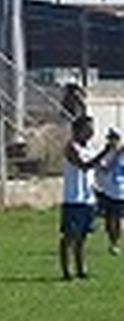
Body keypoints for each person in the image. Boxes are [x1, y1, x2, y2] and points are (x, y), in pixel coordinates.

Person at [59, 115, 111, 281]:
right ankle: (66, 270)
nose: (92, 132)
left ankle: (81, 269)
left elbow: (103, 167)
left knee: (83, 236)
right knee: (69, 236)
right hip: (73, 199)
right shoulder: (71, 147)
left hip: (88, 198)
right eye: (88, 128)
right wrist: (106, 151)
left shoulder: (89, 147)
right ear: (78, 130)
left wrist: (115, 153)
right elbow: (84, 166)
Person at [91, 127, 124, 257]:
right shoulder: (106, 153)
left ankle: (116, 242)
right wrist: (115, 155)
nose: (113, 141)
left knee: (119, 221)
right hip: (108, 191)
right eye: (111, 138)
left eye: (115, 138)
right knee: (109, 221)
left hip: (121, 193)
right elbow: (102, 168)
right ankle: (112, 242)